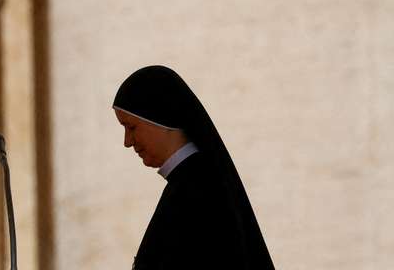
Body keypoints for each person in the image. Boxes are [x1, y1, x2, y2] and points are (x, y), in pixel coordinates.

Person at [113, 65, 275, 270]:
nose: (127, 141)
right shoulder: (194, 182)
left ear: (159, 118)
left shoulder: (198, 190)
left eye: (132, 127)